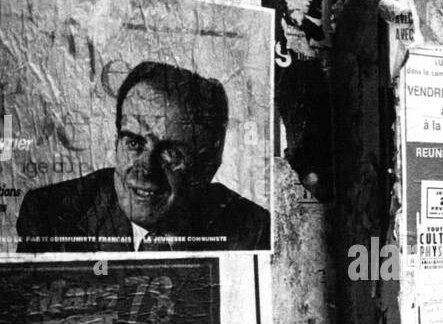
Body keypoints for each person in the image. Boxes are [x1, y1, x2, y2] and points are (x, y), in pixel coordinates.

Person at [16, 61, 270, 252]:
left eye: (171, 152)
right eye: (134, 142)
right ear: (117, 143)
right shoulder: (51, 214)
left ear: (208, 165)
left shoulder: (253, 231)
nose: (145, 169)